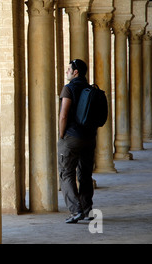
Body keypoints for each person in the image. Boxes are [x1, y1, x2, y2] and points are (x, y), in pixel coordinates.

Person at [58, 59, 97, 224]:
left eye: (69, 69)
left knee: (66, 173)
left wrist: (61, 135)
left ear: (76, 72)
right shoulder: (91, 89)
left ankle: (75, 211)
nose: (67, 72)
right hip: (89, 137)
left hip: (72, 137)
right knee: (85, 174)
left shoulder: (69, 88)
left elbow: (63, 115)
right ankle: (87, 210)